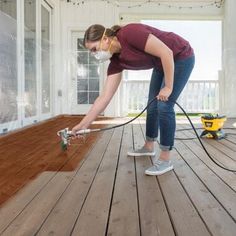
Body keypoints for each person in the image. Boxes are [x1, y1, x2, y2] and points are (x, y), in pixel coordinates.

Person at [72, 23, 195, 176]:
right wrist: (83, 124)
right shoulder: (116, 62)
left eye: (94, 49)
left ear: (105, 39)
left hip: (180, 55)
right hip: (160, 63)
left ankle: (165, 158)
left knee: (164, 105)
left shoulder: (130, 33)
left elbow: (167, 52)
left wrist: (168, 87)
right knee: (152, 106)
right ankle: (149, 147)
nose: (94, 55)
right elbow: (104, 98)